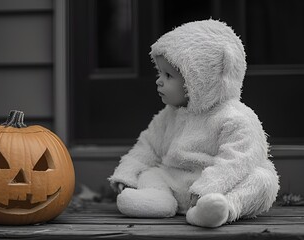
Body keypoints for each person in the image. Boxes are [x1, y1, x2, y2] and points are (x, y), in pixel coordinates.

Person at [108, 19, 279, 228]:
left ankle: (220, 209)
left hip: (215, 189)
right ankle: (159, 199)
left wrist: (208, 188)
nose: (159, 81)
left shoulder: (235, 117)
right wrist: (127, 173)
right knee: (150, 172)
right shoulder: (168, 115)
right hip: (175, 183)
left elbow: (238, 160)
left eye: (168, 75)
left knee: (263, 180)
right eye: (159, 73)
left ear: (199, 80)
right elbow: (147, 147)